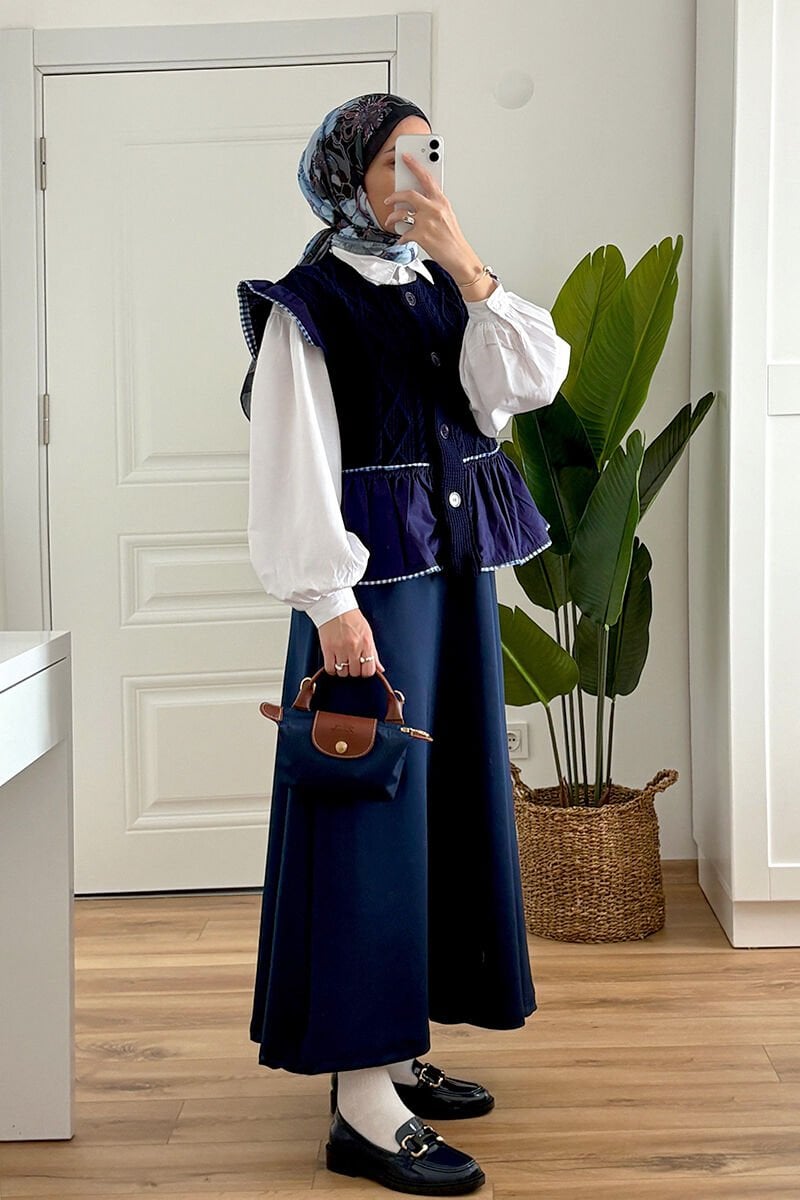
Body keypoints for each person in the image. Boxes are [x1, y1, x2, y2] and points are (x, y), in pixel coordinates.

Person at [238, 92, 570, 1195]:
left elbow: (522, 387)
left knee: (438, 818)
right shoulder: (304, 306)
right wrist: (331, 607)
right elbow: (291, 466)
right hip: (370, 602)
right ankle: (360, 1101)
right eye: (393, 159)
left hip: (454, 586)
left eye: (428, 154)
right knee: (366, 828)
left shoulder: (438, 282)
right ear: (344, 174)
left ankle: (394, 1046)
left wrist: (469, 264)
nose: (417, 176)